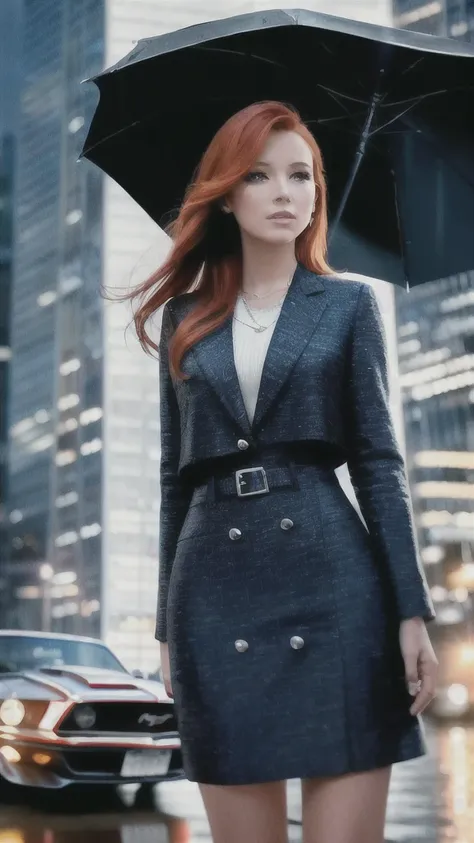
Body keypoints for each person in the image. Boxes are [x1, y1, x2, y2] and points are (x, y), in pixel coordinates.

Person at [126, 101, 438, 843]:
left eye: (301, 175)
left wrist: (410, 609)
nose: (284, 192)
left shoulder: (347, 305)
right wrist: (169, 628)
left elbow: (378, 463)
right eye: (260, 175)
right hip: (216, 599)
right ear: (226, 194)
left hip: (336, 590)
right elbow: (174, 477)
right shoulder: (185, 318)